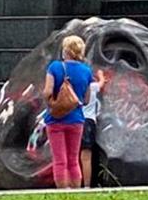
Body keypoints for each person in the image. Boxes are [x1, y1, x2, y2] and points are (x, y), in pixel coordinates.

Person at [42, 35, 93, 189]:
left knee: (60, 160)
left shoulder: (55, 67)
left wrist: (53, 102)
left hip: (55, 119)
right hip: (76, 119)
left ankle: (62, 192)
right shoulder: (86, 71)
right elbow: (86, 99)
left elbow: (47, 92)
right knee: (73, 159)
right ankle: (76, 192)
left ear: (66, 50)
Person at [80, 70, 107, 188]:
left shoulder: (75, 86)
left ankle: (73, 183)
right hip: (88, 121)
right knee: (86, 156)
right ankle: (86, 185)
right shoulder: (92, 86)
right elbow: (101, 84)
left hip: (75, 121)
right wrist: (101, 75)